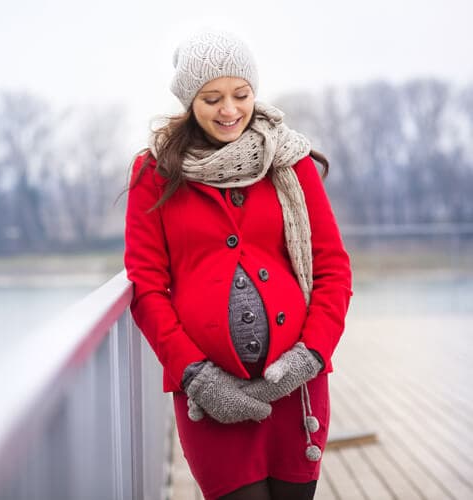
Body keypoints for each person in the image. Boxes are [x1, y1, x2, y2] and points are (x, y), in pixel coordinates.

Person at [123, 30, 352, 500]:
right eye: (212, 98)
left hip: (296, 392)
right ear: (190, 101)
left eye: (241, 94)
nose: (229, 110)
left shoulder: (291, 162)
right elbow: (146, 286)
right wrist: (195, 375)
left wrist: (310, 355)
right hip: (210, 399)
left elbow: (333, 268)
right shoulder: (155, 172)